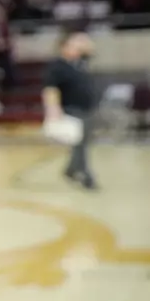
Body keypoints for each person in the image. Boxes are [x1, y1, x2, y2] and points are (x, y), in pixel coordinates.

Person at [42, 27, 99, 190]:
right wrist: (53, 109)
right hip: (72, 109)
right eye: (73, 45)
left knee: (82, 143)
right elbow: (50, 89)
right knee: (79, 144)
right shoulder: (57, 67)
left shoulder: (79, 64)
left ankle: (71, 170)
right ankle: (86, 176)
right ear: (63, 47)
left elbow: (91, 49)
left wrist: (83, 41)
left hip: (86, 108)